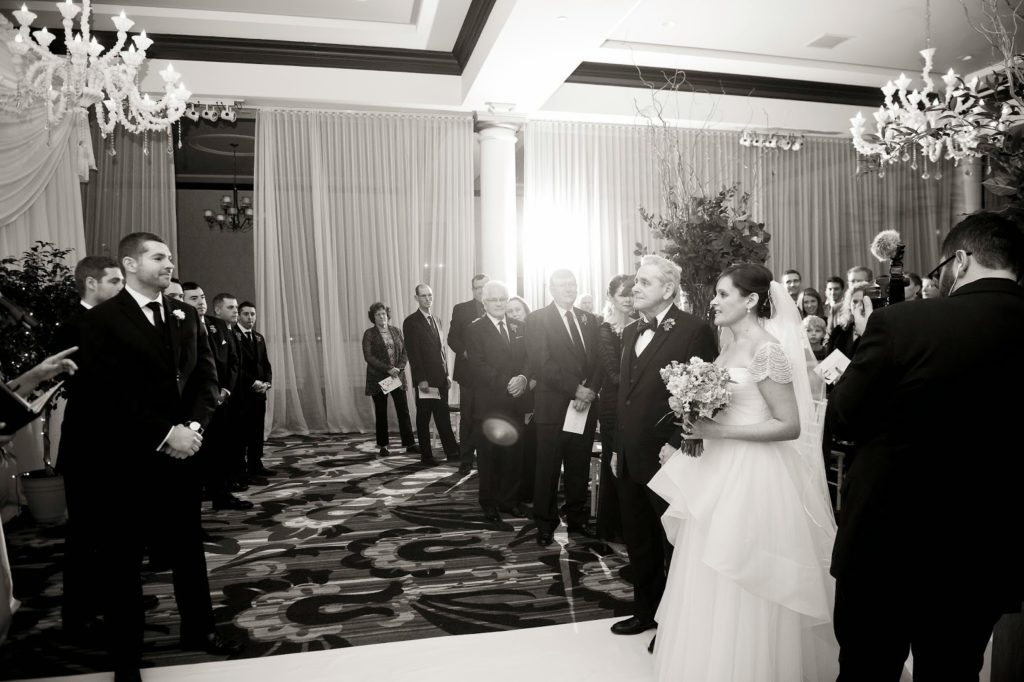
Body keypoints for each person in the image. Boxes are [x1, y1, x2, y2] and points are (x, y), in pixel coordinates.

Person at [826, 212, 1024, 680]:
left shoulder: (902, 323)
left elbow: (843, 418)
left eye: (939, 273)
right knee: (954, 668)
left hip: (887, 535)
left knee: (867, 667)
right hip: (987, 544)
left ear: (960, 260)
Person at [648, 263, 838, 680]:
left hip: (755, 477)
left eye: (722, 294)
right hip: (718, 468)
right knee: (706, 568)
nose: (713, 302)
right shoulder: (727, 345)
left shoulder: (767, 349)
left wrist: (715, 429)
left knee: (743, 568)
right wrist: (694, 422)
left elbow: (789, 425)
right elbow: (725, 405)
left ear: (750, 300)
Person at [74, 233, 240, 682]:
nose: (169, 264)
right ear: (130, 264)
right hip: (127, 458)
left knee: (188, 548)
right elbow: (104, 395)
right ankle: (126, 657)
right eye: (159, 257)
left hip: (184, 455)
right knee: (123, 559)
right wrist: (166, 433)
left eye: (170, 256)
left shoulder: (186, 314)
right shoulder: (102, 320)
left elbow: (205, 379)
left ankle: (199, 630)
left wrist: (193, 430)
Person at [609, 255, 717, 638]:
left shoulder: (695, 330)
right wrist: (617, 447)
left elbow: (702, 395)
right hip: (630, 453)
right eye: (635, 282)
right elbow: (626, 395)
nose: (633, 288)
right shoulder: (629, 331)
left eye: (643, 282)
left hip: (668, 456)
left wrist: (676, 442)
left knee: (674, 541)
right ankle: (646, 611)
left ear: (668, 289)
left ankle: (676, 627)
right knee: (638, 539)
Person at [53, 256, 123, 640]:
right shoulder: (72, 328)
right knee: (84, 536)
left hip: (115, 446)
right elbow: (86, 388)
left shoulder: (114, 323)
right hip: (87, 447)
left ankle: (106, 603)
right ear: (92, 283)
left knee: (111, 533)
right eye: (114, 281)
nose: (119, 288)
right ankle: (77, 616)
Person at [525, 269, 602, 547]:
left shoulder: (589, 319)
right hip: (553, 407)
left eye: (572, 283)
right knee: (547, 468)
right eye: (562, 284)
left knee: (578, 466)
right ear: (550, 288)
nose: (569, 288)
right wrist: (575, 389)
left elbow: (598, 361)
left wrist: (589, 391)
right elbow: (541, 363)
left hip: (584, 406)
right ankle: (545, 523)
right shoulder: (537, 320)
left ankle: (578, 519)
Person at [464, 280, 529, 522]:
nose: (500, 303)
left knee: (513, 456)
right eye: (494, 300)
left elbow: (528, 358)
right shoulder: (474, 329)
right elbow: (478, 366)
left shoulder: (518, 326)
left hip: (515, 403)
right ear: (484, 302)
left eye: (503, 299)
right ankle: (489, 503)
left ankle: (509, 501)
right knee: (489, 458)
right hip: (489, 405)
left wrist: (522, 378)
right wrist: (508, 383)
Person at [595, 273, 634, 543]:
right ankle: (612, 528)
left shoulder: (646, 325)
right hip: (613, 405)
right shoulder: (606, 329)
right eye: (623, 295)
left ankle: (633, 522)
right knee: (615, 464)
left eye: (633, 293)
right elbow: (613, 373)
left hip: (636, 404)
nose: (630, 300)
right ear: (611, 298)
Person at [402, 284, 458, 466]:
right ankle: (426, 456)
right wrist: (421, 379)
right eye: (424, 296)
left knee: (443, 419)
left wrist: (447, 374)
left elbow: (441, 350)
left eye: (430, 295)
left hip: (441, 379)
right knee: (424, 419)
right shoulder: (411, 322)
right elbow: (413, 353)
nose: (428, 299)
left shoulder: (437, 320)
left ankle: (452, 453)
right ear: (416, 298)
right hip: (425, 381)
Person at [362, 302, 416, 457]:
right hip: (379, 378)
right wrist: (388, 368)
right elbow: (368, 357)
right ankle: (383, 446)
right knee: (381, 412)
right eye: (378, 314)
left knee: (403, 411)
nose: (382, 316)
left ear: (388, 315)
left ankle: (410, 444)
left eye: (384, 313)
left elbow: (405, 352)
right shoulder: (369, 334)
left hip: (396, 376)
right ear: (373, 317)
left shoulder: (396, 331)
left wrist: (398, 368)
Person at [448, 274, 488, 475]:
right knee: (469, 417)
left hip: (492, 375)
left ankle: (486, 456)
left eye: (484, 287)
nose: (480, 291)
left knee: (488, 417)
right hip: (468, 374)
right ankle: (466, 459)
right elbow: (452, 339)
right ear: (472, 290)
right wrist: (466, 353)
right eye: (477, 288)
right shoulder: (461, 309)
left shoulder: (498, 308)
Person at [233, 301, 273, 478]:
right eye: (246, 314)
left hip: (259, 394)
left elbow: (265, 363)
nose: (250, 318)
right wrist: (253, 382)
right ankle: (241, 469)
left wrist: (267, 382)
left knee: (257, 431)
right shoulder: (233, 336)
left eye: (253, 314)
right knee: (242, 433)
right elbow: (236, 366)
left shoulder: (258, 337)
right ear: (239, 316)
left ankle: (256, 464)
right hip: (242, 393)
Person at [506, 295, 536, 505]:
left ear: (526, 310)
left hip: (539, 393)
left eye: (518, 309)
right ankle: (522, 489)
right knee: (521, 445)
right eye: (510, 311)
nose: (515, 314)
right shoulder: (509, 335)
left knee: (536, 445)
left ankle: (534, 487)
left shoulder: (537, 330)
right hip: (517, 395)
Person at [827, 281, 873, 361]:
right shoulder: (839, 329)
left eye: (863, 302)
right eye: (855, 302)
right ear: (849, 304)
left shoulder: (880, 329)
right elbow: (828, 360)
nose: (859, 306)